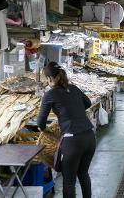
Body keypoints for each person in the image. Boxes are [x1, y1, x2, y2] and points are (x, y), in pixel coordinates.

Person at [37, 62, 96, 198]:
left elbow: (41, 122)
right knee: (83, 173)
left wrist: (46, 131)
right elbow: (88, 103)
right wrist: (75, 113)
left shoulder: (50, 95)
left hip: (72, 140)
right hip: (89, 136)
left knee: (69, 181)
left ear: (51, 79)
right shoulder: (74, 88)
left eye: (46, 79)